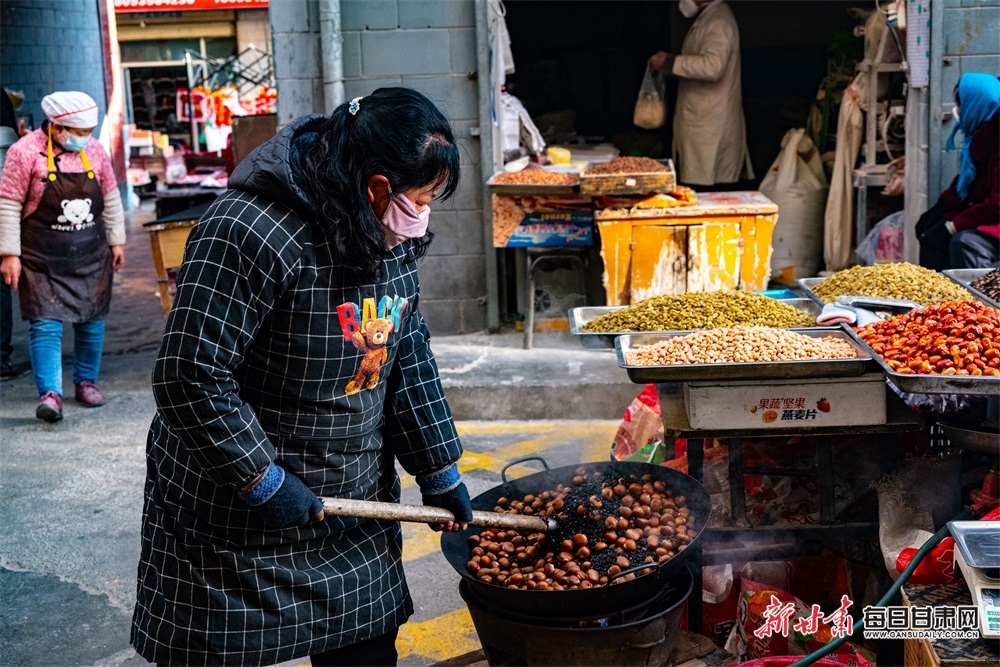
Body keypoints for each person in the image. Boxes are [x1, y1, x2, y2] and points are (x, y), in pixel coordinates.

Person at [130, 87, 474, 666]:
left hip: (350, 508)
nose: (425, 215)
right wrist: (261, 479)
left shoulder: (389, 240)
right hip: (236, 519)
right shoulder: (248, 230)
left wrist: (438, 470)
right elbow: (190, 374)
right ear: (378, 188)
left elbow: (405, 353)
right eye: (423, 198)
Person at [0, 91, 125, 421]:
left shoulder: (95, 151)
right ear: (56, 127)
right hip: (41, 256)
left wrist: (117, 241)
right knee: (44, 323)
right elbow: (9, 205)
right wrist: (9, 253)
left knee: (92, 320)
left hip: (90, 252)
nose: (85, 139)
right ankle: (50, 394)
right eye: (79, 132)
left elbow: (110, 198)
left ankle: (85, 381)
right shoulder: (23, 152)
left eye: (88, 132)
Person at [648, 0, 754, 188]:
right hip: (703, 122)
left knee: (707, 190)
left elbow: (713, 67)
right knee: (698, 184)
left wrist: (670, 62)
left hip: (710, 125)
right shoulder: (709, 18)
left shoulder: (719, 21)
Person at [917, 72, 1000, 270]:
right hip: (991, 215)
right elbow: (967, 185)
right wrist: (941, 208)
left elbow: (997, 205)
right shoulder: (980, 140)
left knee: (965, 243)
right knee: (929, 231)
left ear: (974, 106)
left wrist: (953, 225)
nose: (958, 111)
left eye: (960, 105)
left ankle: (979, 299)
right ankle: (938, 297)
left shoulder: (993, 141)